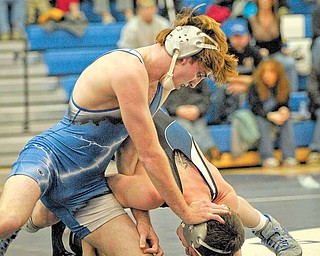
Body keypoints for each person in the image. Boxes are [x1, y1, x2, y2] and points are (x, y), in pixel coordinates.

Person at [0, 6, 238, 256]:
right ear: (183, 56)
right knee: (10, 220)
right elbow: (151, 155)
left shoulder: (160, 86)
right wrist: (186, 213)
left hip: (87, 186)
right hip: (49, 160)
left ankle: (42, 218)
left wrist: (142, 221)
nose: (195, 83)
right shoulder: (128, 70)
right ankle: (19, 220)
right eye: (200, 74)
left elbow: (130, 153)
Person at [48, 109, 301, 256]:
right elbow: (89, 188)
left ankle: (267, 227)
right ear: (193, 233)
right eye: (191, 253)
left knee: (231, 207)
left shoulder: (219, 192)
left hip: (145, 114)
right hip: (90, 126)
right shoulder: (150, 192)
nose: (186, 253)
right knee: (44, 216)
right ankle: (20, 222)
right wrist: (139, 223)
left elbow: (230, 237)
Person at [248, 58, 298, 168]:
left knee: (287, 120)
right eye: (265, 72)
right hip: (261, 115)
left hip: (276, 115)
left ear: (277, 74)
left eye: (271, 72)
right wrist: (269, 115)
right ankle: (267, 157)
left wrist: (284, 110)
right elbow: (255, 107)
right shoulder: (254, 85)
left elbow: (284, 103)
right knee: (262, 122)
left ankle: (289, 157)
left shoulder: (283, 84)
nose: (267, 75)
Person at [245, 0, 299, 92]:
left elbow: (280, 39)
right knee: (264, 66)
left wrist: (284, 49)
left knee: (290, 62)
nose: (265, 2)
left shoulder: (277, 17)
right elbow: (248, 42)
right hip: (260, 55)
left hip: (276, 53)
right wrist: (257, 50)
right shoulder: (251, 20)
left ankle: (292, 94)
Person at [163, 79, 221, 162]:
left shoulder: (199, 77)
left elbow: (206, 97)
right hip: (175, 115)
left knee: (201, 127)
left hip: (196, 113)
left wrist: (198, 109)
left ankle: (206, 152)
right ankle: (204, 151)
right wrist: (176, 110)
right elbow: (162, 101)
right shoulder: (168, 78)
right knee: (186, 127)